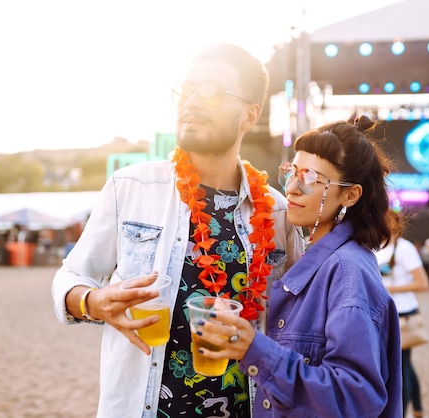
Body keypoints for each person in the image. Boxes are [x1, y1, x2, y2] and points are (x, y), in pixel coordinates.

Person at [51, 43, 305, 418]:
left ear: (249, 116)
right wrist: (92, 302)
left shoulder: (278, 210)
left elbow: (298, 319)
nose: (192, 102)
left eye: (213, 92)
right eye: (187, 90)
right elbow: (71, 274)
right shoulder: (131, 187)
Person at [194, 116, 403, 417]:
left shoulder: (347, 271)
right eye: (291, 172)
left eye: (309, 179)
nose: (291, 188)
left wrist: (252, 348)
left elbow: (354, 398)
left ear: (350, 194)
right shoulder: (318, 257)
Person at [375, 230, 429, 417]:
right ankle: (418, 408)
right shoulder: (374, 245)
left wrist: (389, 288)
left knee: (400, 368)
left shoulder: (404, 248)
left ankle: (403, 412)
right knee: (405, 364)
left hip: (403, 314)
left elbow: (422, 283)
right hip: (384, 314)